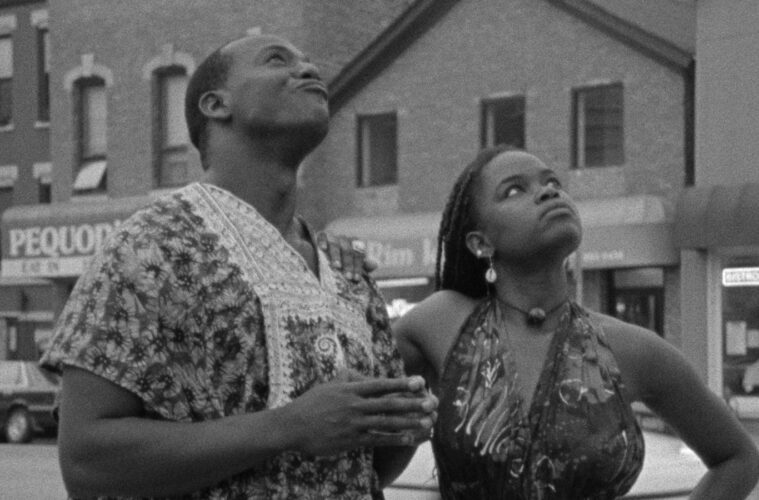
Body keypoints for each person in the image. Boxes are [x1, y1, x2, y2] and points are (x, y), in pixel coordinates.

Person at [40, 33, 437, 499]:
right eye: (277, 60)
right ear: (216, 104)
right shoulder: (149, 248)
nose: (308, 70)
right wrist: (288, 426)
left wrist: (405, 424)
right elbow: (85, 462)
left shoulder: (348, 271)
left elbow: (367, 467)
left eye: (309, 61)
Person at [390, 145, 759, 499]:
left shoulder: (632, 350)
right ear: (480, 243)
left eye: (553, 182)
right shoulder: (440, 323)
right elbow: (365, 459)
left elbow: (738, 458)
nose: (548, 192)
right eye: (514, 190)